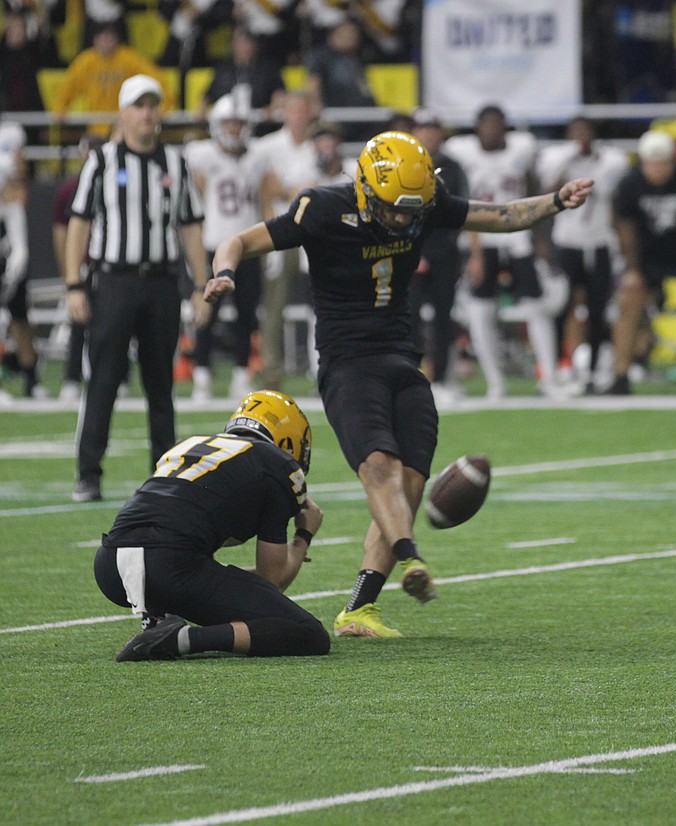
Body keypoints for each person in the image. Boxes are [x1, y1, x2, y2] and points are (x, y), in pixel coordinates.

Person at [205, 131, 593, 639]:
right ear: (365, 189)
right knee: (379, 466)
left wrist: (555, 202)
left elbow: (503, 216)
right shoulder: (322, 208)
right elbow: (238, 240)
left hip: (404, 360)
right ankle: (410, 557)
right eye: (395, 210)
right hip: (348, 361)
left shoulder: (421, 202)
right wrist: (224, 273)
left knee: (410, 481)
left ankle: (358, 609)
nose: (407, 220)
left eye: (415, 209)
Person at [94, 390, 330, 661]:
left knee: (190, 571)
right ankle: (180, 639)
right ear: (288, 440)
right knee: (308, 632)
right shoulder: (278, 465)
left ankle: (159, 617)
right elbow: (272, 580)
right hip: (168, 565)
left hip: (110, 566)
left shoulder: (189, 444)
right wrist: (304, 534)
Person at [64, 75, 210, 503]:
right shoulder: (103, 161)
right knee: (104, 379)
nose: (146, 114)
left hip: (162, 282)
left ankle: (163, 474)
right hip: (114, 281)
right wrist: (75, 282)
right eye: (138, 106)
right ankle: (88, 473)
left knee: (160, 383)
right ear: (123, 113)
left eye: (152, 105)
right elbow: (79, 223)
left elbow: (190, 226)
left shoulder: (175, 163)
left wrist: (200, 285)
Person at [444, 105, 563, 400]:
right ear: (476, 128)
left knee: (536, 307)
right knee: (480, 311)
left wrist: (540, 236)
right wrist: (472, 250)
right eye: (487, 125)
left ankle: (549, 378)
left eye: (498, 125)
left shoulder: (522, 148)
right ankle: (495, 382)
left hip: (518, 237)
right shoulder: (461, 152)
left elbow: (532, 187)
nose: (493, 131)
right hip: (482, 237)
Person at [608, 130, 676, 395]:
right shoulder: (629, 184)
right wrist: (633, 270)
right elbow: (627, 232)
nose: (657, 169)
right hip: (646, 257)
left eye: (663, 163)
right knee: (628, 302)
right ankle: (620, 375)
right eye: (652, 163)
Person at [536, 116, 630, 394]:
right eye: (575, 132)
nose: (581, 137)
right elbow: (544, 195)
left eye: (585, 131)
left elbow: (615, 198)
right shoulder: (557, 158)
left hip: (600, 242)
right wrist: (567, 163)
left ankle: (592, 371)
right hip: (567, 242)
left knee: (598, 310)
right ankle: (555, 369)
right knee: (561, 308)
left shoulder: (612, 161)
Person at [185, 94, 267, 402]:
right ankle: (201, 375)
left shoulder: (257, 157)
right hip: (213, 244)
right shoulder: (203, 156)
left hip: (248, 246)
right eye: (229, 123)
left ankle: (241, 373)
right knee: (206, 313)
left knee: (247, 315)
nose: (234, 129)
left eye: (239, 123)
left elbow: (264, 198)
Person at [250, 91, 319, 391]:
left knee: (322, 303)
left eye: (303, 110)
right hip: (282, 230)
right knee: (275, 304)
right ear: (285, 114)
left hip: (316, 234)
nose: (299, 117)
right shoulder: (268, 147)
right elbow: (265, 189)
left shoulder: (318, 147)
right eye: (294, 111)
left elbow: (316, 188)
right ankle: (273, 372)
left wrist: (288, 191)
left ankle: (320, 367)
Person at [407, 109, 469, 401]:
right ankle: (413, 376)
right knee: (410, 317)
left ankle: (442, 377)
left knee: (444, 317)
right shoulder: (404, 164)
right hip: (410, 250)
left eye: (433, 128)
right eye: (424, 128)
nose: (429, 134)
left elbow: (459, 211)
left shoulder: (454, 167)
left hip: (444, 250)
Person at [53, 132, 106, 404]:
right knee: (78, 322)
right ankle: (72, 378)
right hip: (85, 266)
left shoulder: (115, 183)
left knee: (112, 326)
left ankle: (114, 378)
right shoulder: (70, 190)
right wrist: (69, 273)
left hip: (109, 266)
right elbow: (62, 233)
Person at [52, 23, 168, 137]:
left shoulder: (128, 59)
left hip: (123, 124)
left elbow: (155, 79)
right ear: (95, 40)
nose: (106, 42)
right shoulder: (86, 62)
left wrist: (165, 106)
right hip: (96, 126)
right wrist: (60, 108)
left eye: (110, 37)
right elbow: (68, 87)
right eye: (103, 37)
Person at [0, 119, 39, 401]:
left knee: (20, 314)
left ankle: (31, 379)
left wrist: (19, 249)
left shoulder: (12, 137)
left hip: (9, 242)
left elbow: (17, 195)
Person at [200, 26, 286, 122]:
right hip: (226, 121)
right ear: (232, 45)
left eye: (246, 42)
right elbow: (207, 96)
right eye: (239, 42)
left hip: (259, 121)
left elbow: (279, 94)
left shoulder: (268, 68)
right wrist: (202, 113)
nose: (243, 47)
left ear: (254, 44)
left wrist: (271, 111)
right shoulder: (223, 70)